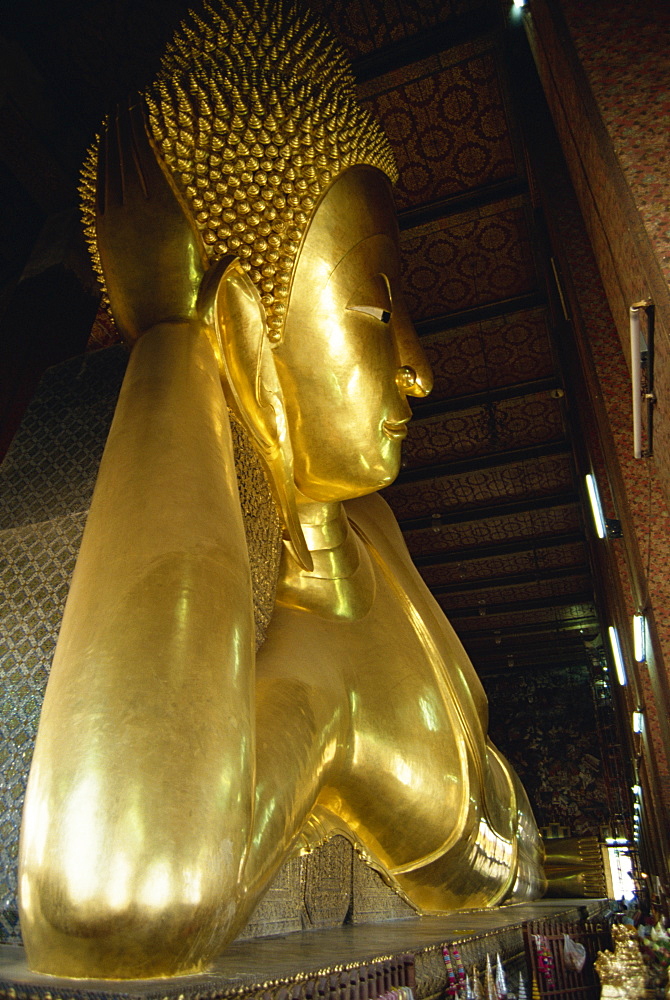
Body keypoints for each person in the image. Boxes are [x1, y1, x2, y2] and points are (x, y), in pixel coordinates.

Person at [18, 0, 545, 980]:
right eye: (377, 312)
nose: (420, 367)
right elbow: (121, 891)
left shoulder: (378, 529)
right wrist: (173, 337)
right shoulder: (310, 679)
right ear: (251, 338)